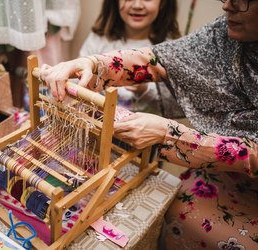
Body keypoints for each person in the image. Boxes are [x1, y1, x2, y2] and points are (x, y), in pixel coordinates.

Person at [40, 0, 258, 248]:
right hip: (212, 173)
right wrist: (92, 64)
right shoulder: (224, 35)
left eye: (244, 0)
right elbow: (157, 59)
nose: (227, 6)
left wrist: (168, 135)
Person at [79, 0, 183, 117]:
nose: (137, 5)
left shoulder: (172, 49)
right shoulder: (99, 39)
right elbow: (77, 82)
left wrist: (145, 89)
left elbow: (179, 108)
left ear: (163, 3)